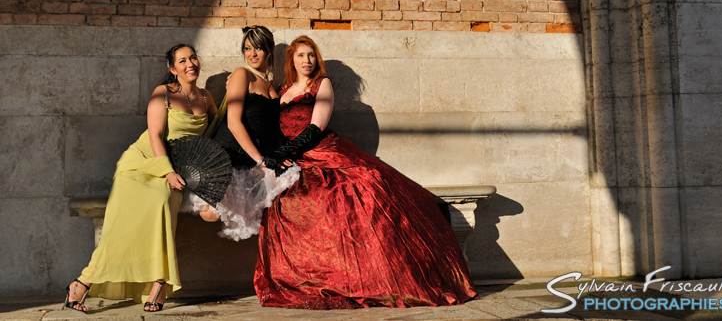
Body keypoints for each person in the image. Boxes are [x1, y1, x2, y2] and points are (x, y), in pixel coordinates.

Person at [254, 35, 477, 309]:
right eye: (301, 55)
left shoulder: (322, 84)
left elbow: (316, 128)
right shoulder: (283, 89)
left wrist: (283, 153)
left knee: (362, 186)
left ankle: (367, 276)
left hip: (322, 149)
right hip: (292, 158)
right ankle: (306, 277)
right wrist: (276, 153)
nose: (307, 60)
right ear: (291, 60)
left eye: (311, 55)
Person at [63, 44, 217, 313]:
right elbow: (155, 135)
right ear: (172, 69)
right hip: (143, 163)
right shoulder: (163, 93)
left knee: (162, 202)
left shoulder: (206, 98)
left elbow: (217, 131)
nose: (190, 64)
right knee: (134, 214)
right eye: (182, 61)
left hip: (178, 167)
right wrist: (167, 171)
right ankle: (84, 281)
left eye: (193, 58)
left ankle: (159, 281)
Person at [181, 25, 299, 240]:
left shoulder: (272, 86)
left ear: (270, 50)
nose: (252, 54)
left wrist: (277, 155)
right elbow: (234, 123)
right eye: (247, 48)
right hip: (229, 153)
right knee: (210, 213)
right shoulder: (242, 74)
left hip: (253, 157)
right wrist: (261, 160)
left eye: (258, 48)